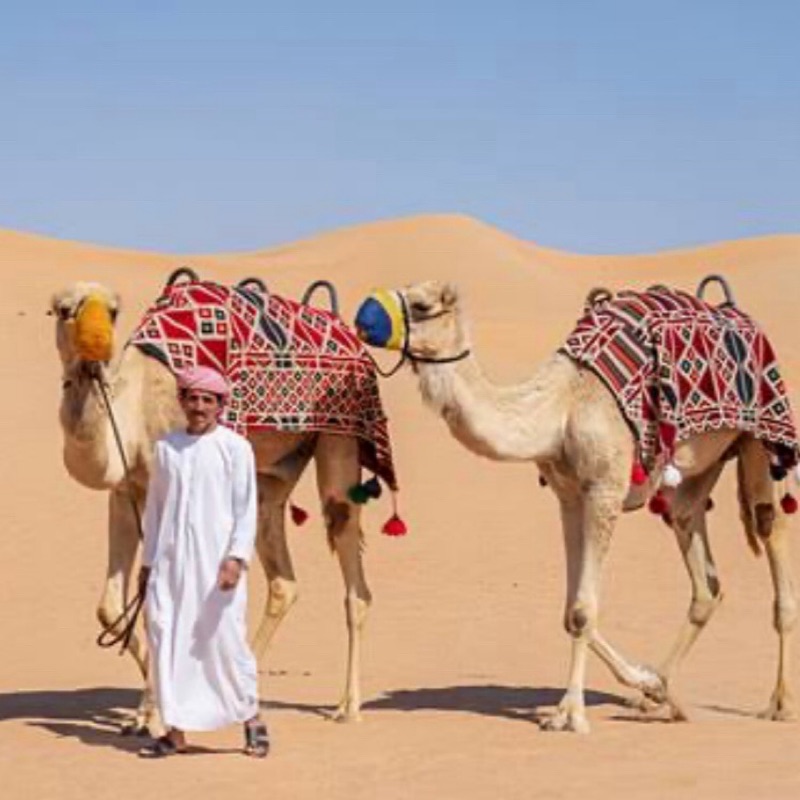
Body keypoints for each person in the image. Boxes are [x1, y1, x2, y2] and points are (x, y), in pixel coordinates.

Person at [137, 365, 269, 758]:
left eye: (206, 400)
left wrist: (237, 558)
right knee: (166, 637)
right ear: (182, 401)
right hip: (169, 563)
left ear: (219, 405)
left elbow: (246, 509)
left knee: (224, 640)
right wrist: (147, 564)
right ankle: (175, 731)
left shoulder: (235, 447)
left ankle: (252, 719)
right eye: (192, 398)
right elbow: (155, 509)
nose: (198, 406)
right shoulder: (166, 448)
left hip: (217, 566)